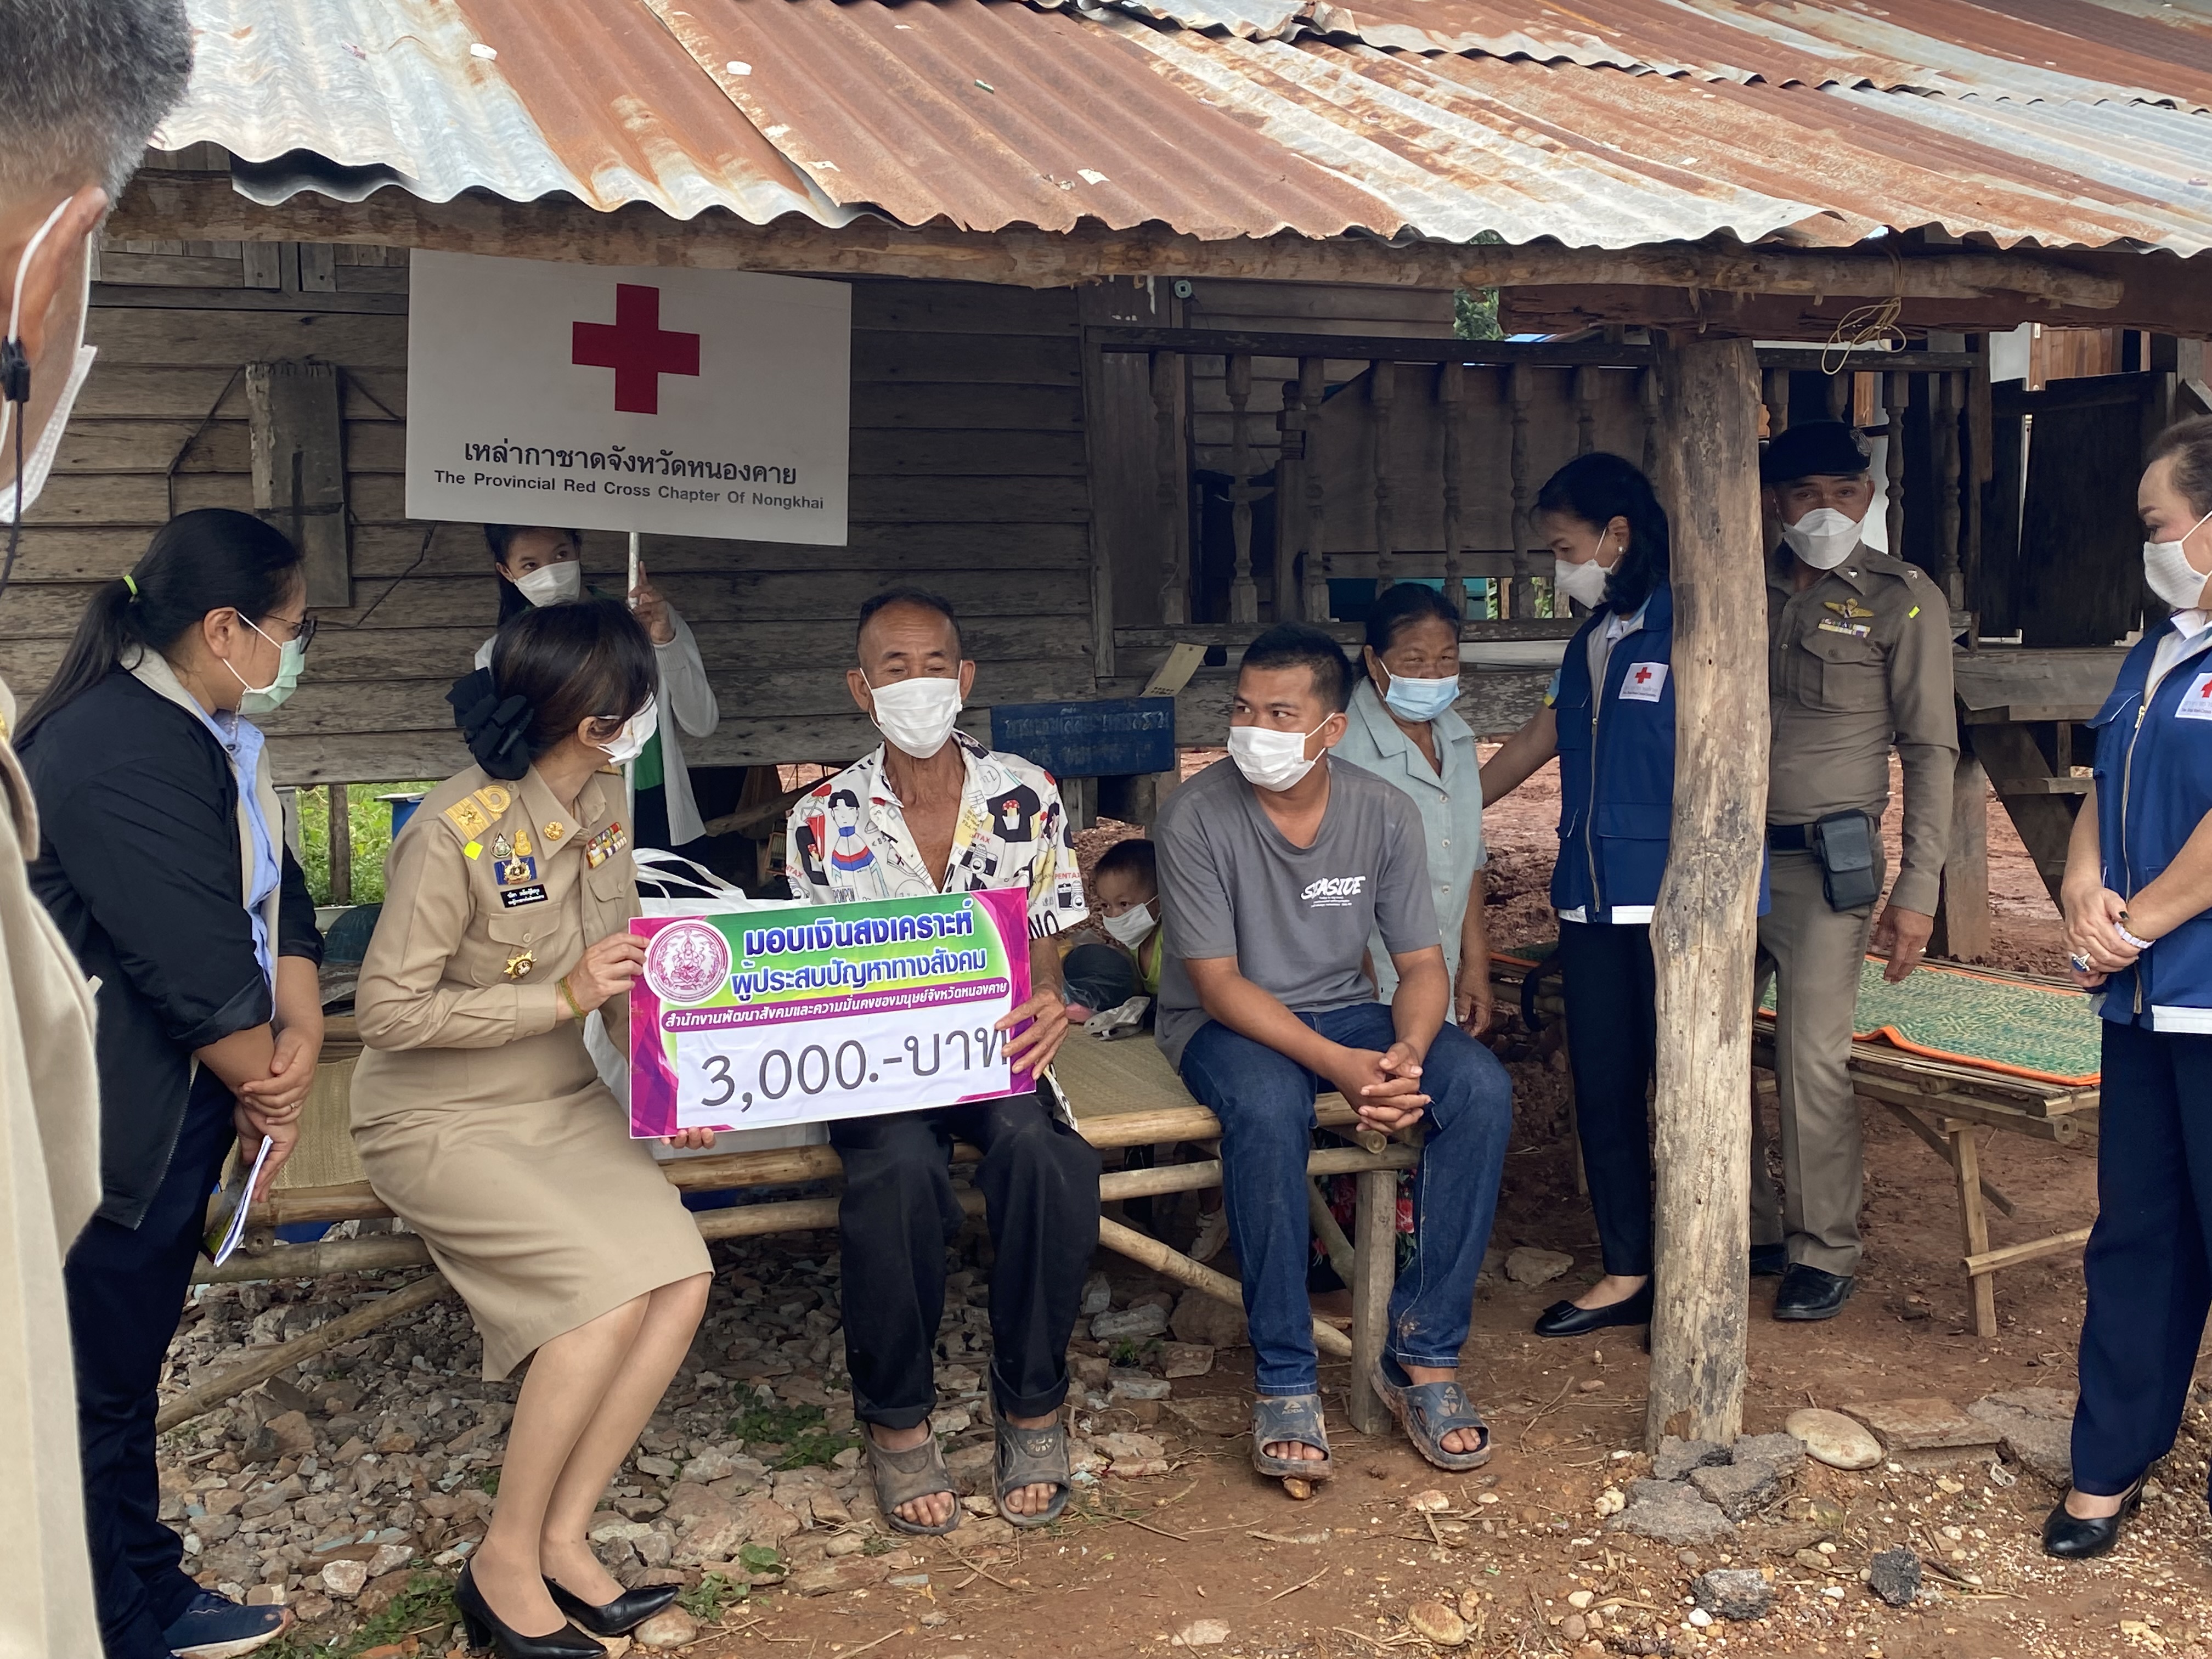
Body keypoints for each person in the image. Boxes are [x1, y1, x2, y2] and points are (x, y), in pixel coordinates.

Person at [352, 599, 715, 1657]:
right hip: (436, 1114)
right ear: (601, 716)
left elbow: (615, 970)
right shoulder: (450, 829)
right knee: (597, 1300)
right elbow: (386, 1011)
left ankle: (564, 1535)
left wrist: (665, 1082)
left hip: (559, 1101)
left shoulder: (603, 797)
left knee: (679, 1276)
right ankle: (502, 1560)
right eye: (637, 702)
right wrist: (553, 998)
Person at [20, 509, 321, 1659]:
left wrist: (293, 1028)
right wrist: (267, 1078)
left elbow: (275, 880)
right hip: (104, 1125)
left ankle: (139, 1580)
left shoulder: (204, 727)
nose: (295, 656)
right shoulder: (114, 748)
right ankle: (116, 1617)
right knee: (95, 1385)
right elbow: (186, 963)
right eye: (290, 631)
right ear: (222, 626)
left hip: (174, 1103)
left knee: (124, 1369)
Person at [0, 8, 192, 1656]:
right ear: (46, 273)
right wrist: (252, 1033)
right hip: (154, 1121)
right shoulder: (115, 744)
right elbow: (170, 933)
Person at [1155, 624, 1513, 1480]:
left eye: (1282, 712)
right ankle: (1285, 1373)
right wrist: (1343, 1067)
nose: (1255, 729)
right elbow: (1216, 984)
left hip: (1350, 1013)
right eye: (1244, 708)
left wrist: (1406, 1058)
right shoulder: (1194, 815)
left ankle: (1422, 1355)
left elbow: (1423, 966)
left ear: (1331, 730)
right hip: (1228, 1026)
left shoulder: (1380, 810)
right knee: (1271, 1109)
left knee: (1482, 1090)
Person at [783, 586, 1096, 1534]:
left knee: (1042, 1154)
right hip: (876, 1061)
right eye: (892, 667)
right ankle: (896, 1415)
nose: (915, 684)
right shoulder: (818, 816)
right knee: (899, 1169)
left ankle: (1033, 1396)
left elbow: (1044, 941)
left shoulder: (1026, 792)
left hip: (992, 1046)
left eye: (933, 666)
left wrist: (1048, 1004)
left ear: (964, 678)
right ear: (860, 687)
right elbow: (805, 974)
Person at [1482, 454, 1754, 1338]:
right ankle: (1629, 1269)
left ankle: (1702, 1271)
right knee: (1603, 1088)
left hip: (1675, 906)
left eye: (1566, 547)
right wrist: (1446, 806)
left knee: (1691, 1090)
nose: (1560, 566)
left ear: (1616, 536)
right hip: (1589, 903)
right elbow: (1544, 734)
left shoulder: (1697, 629)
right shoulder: (1590, 638)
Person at [2044, 415, 2212, 1560]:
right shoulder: (2156, 652)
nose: (2150, 544)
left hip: (2192, 978)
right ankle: (2109, 1460)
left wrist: (2135, 925)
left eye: (2160, 524)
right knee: (2137, 1232)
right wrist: (2079, 882)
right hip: (2144, 999)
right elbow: (2107, 779)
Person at [1752, 421, 1956, 1321]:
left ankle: (1821, 1246)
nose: (1826, 510)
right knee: (1698, 1043)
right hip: (1722, 858)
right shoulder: (1733, 585)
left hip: (1823, 866)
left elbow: (1932, 749)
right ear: (1772, 501)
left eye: (1843, 490)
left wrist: (1917, 889)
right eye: (1805, 493)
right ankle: (1743, 1221)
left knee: (1809, 1060)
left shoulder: (1902, 598)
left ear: (1867, 496)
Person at [478, 524, 720, 856]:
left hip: (655, 799)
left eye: (561, 555)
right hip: (570, 811)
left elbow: (702, 723)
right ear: (507, 572)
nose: (550, 573)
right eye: (530, 565)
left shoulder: (642, 619)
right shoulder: (500, 654)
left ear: (578, 551)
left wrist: (665, 644)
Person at [1330, 582, 1491, 1031]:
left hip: (1440, 971)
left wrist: (1474, 965)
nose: (1432, 675)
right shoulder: (1342, 746)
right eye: (1414, 661)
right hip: (1366, 982)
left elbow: (1468, 859)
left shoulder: (1456, 738)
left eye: (1447, 659)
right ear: (1372, 661)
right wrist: (1357, 982)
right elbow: (1329, 875)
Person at [1061, 837, 1164, 1018]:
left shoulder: (1170, 941)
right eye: (1106, 906)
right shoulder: (1137, 939)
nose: (1114, 915)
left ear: (1159, 901)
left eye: (1124, 904)